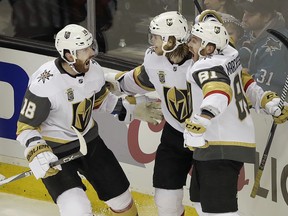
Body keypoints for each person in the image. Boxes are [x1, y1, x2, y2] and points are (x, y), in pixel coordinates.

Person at [16, 24, 163, 216]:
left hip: (90, 143)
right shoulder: (45, 84)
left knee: (122, 200)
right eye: (85, 49)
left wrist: (130, 109)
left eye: (90, 46)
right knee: (76, 209)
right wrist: (36, 151)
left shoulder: (93, 70)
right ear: (69, 55)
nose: (92, 52)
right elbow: (25, 127)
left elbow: (100, 101)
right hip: (55, 151)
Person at [184, 19, 288, 216]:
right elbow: (243, 83)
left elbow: (219, 92)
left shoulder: (206, 66)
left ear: (209, 47)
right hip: (217, 145)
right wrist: (267, 101)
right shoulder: (228, 58)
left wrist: (201, 121)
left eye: (195, 40)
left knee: (219, 212)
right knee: (199, 200)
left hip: (219, 146)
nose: (190, 43)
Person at [105, 11, 193, 216]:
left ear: (170, 40)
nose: (151, 41)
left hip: (208, 137)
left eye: (155, 36)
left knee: (206, 202)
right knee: (166, 200)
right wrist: (109, 82)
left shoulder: (201, 62)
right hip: (175, 134)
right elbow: (139, 80)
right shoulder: (155, 59)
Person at [241, 0, 288, 96]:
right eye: (244, 12)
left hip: (275, 105)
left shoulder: (276, 46)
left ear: (266, 17)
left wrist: (241, 76)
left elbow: (263, 90)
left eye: (250, 14)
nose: (244, 18)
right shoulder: (252, 34)